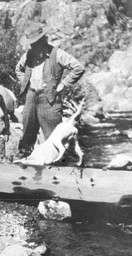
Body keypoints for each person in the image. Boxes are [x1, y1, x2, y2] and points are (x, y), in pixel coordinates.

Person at [15, 23, 85, 158]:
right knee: (28, 130)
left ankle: (60, 163)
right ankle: (25, 159)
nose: (34, 46)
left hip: (49, 98)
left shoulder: (57, 53)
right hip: (31, 96)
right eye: (32, 43)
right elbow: (18, 69)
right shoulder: (28, 55)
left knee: (53, 133)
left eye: (36, 42)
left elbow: (78, 68)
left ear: (43, 40)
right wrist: (25, 82)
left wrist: (63, 84)